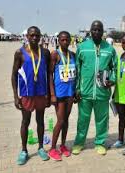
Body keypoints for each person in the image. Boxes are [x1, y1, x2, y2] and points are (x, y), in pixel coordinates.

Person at [72, 20, 117, 155]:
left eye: (99, 30)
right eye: (94, 29)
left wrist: (113, 80)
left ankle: (100, 142)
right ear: (90, 31)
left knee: (102, 119)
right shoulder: (82, 47)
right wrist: (77, 89)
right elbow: (77, 70)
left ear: (103, 32)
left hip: (102, 92)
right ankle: (79, 143)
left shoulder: (109, 49)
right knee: (82, 120)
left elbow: (114, 67)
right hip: (85, 92)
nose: (96, 32)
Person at [11, 26, 50, 165]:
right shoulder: (19, 53)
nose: (34, 38)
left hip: (40, 93)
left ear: (40, 37)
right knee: (25, 122)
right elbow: (14, 75)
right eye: (32, 35)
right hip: (26, 94)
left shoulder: (45, 53)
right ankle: (24, 150)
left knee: (40, 121)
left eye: (37, 35)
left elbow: (49, 74)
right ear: (27, 36)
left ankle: (40, 147)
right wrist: (16, 96)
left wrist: (49, 95)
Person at [48, 31, 76, 161]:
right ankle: (52, 148)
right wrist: (52, 94)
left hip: (70, 92)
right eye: (62, 40)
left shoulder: (72, 55)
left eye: (67, 40)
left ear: (70, 41)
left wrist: (75, 91)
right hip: (59, 93)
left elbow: (75, 74)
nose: (65, 42)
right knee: (60, 121)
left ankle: (63, 145)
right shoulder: (55, 54)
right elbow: (49, 75)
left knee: (66, 120)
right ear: (58, 41)